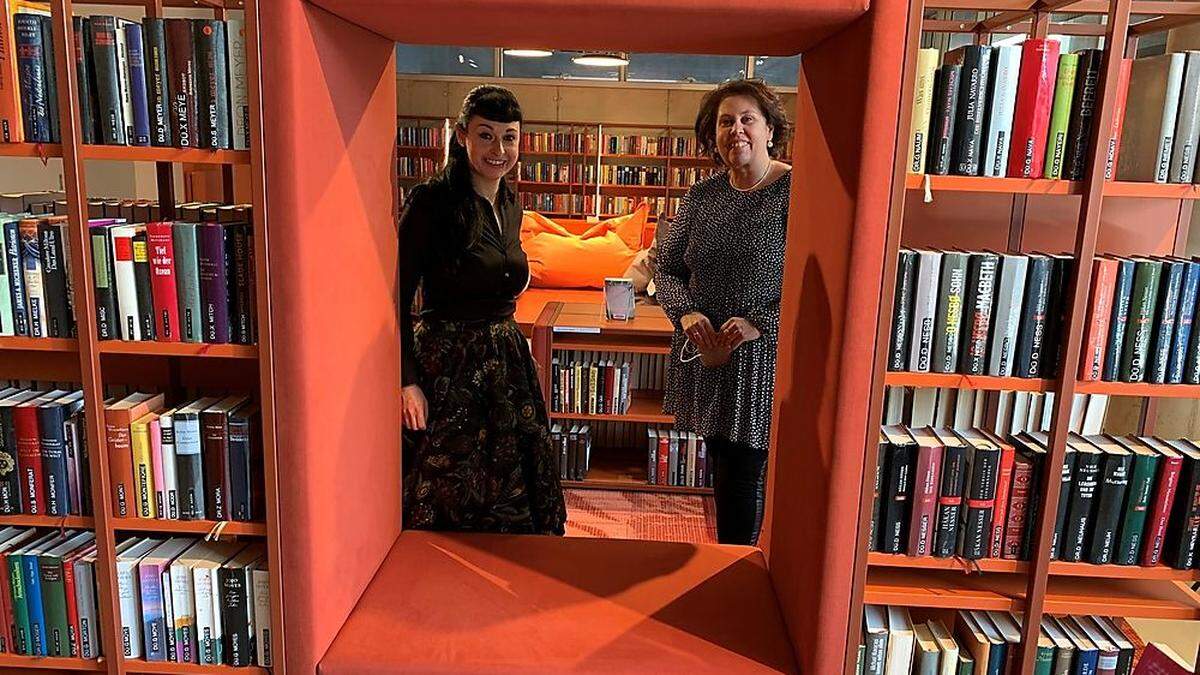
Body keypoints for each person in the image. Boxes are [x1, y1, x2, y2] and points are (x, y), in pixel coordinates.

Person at [399, 85, 566, 535]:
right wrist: (407, 380)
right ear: (461, 136)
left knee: (512, 486)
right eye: (486, 135)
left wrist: (517, 345)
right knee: (450, 487)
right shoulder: (430, 201)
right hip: (448, 364)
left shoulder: (511, 203)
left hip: (505, 361)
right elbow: (395, 296)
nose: (499, 149)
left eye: (509, 137)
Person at [655, 79, 791, 546]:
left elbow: (818, 280)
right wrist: (685, 313)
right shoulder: (701, 196)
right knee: (724, 466)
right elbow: (667, 269)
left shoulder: (797, 192)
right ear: (713, 136)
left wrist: (761, 322)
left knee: (747, 472)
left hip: (762, 359)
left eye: (748, 119)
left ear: (770, 130)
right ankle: (735, 562)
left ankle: (741, 567)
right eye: (725, 122)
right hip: (707, 355)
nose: (737, 130)